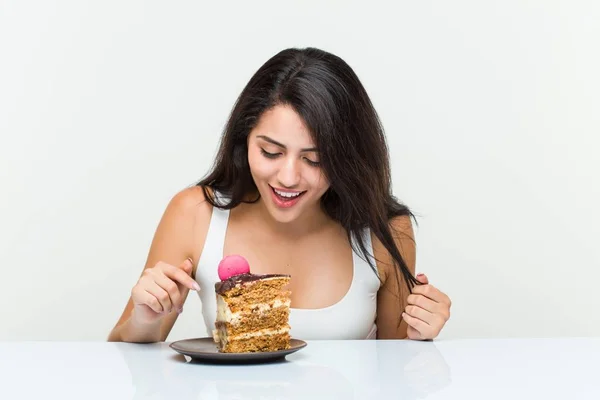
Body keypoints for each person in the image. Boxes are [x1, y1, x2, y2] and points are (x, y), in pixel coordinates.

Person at [108, 47, 451, 343]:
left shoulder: (386, 229)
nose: (288, 177)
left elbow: (397, 370)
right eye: (271, 152)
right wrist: (145, 318)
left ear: (347, 159)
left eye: (315, 159)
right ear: (244, 141)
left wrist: (420, 333)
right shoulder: (195, 213)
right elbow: (122, 354)